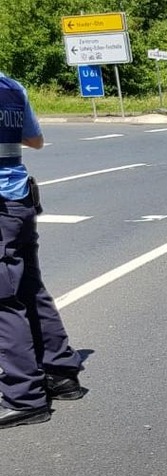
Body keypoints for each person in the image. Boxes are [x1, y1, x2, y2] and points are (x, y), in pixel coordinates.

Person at [0, 72, 86, 430]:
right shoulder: (11, 86)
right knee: (29, 289)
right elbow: (35, 140)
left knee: (4, 301)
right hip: (18, 200)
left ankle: (24, 397)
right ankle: (61, 373)